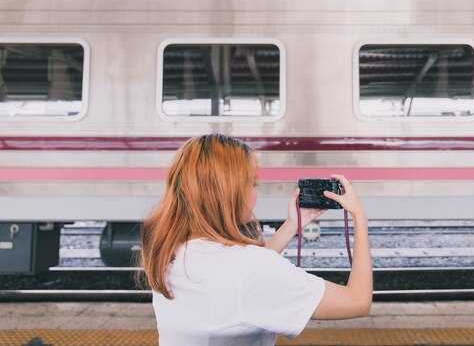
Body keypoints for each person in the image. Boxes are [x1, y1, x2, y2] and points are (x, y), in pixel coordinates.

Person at [140, 134, 372, 346]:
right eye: (252, 184)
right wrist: (359, 216)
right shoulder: (248, 268)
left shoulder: (168, 250)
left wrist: (292, 225)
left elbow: (241, 277)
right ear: (229, 193)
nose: (256, 194)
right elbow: (358, 300)